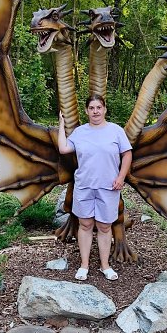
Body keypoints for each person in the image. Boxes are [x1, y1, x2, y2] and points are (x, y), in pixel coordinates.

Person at [58, 94, 132, 281]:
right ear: (86, 111)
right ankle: (84, 265)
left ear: (104, 109)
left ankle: (105, 265)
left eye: (99, 107)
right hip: (84, 186)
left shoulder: (116, 131)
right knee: (85, 224)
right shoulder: (80, 132)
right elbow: (63, 149)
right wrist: (61, 125)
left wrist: (121, 177)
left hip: (109, 187)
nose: (95, 111)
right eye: (91, 108)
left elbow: (127, 154)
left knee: (105, 226)